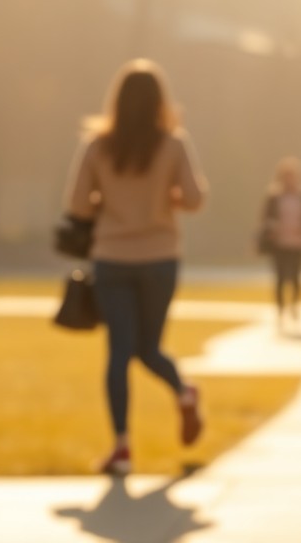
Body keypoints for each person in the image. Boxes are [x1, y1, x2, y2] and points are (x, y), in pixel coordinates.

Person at [64, 59, 208, 475]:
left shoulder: (97, 146)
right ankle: (184, 392)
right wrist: (166, 198)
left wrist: (110, 203)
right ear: (160, 101)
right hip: (161, 257)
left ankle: (122, 447)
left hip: (112, 258)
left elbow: (77, 204)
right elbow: (195, 198)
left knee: (119, 353)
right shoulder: (174, 144)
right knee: (149, 348)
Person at [258, 157, 301, 330]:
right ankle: (281, 310)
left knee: (296, 277)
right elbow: (265, 218)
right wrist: (272, 228)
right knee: (280, 278)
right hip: (279, 243)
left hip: (298, 243)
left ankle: (295, 304)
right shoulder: (274, 196)